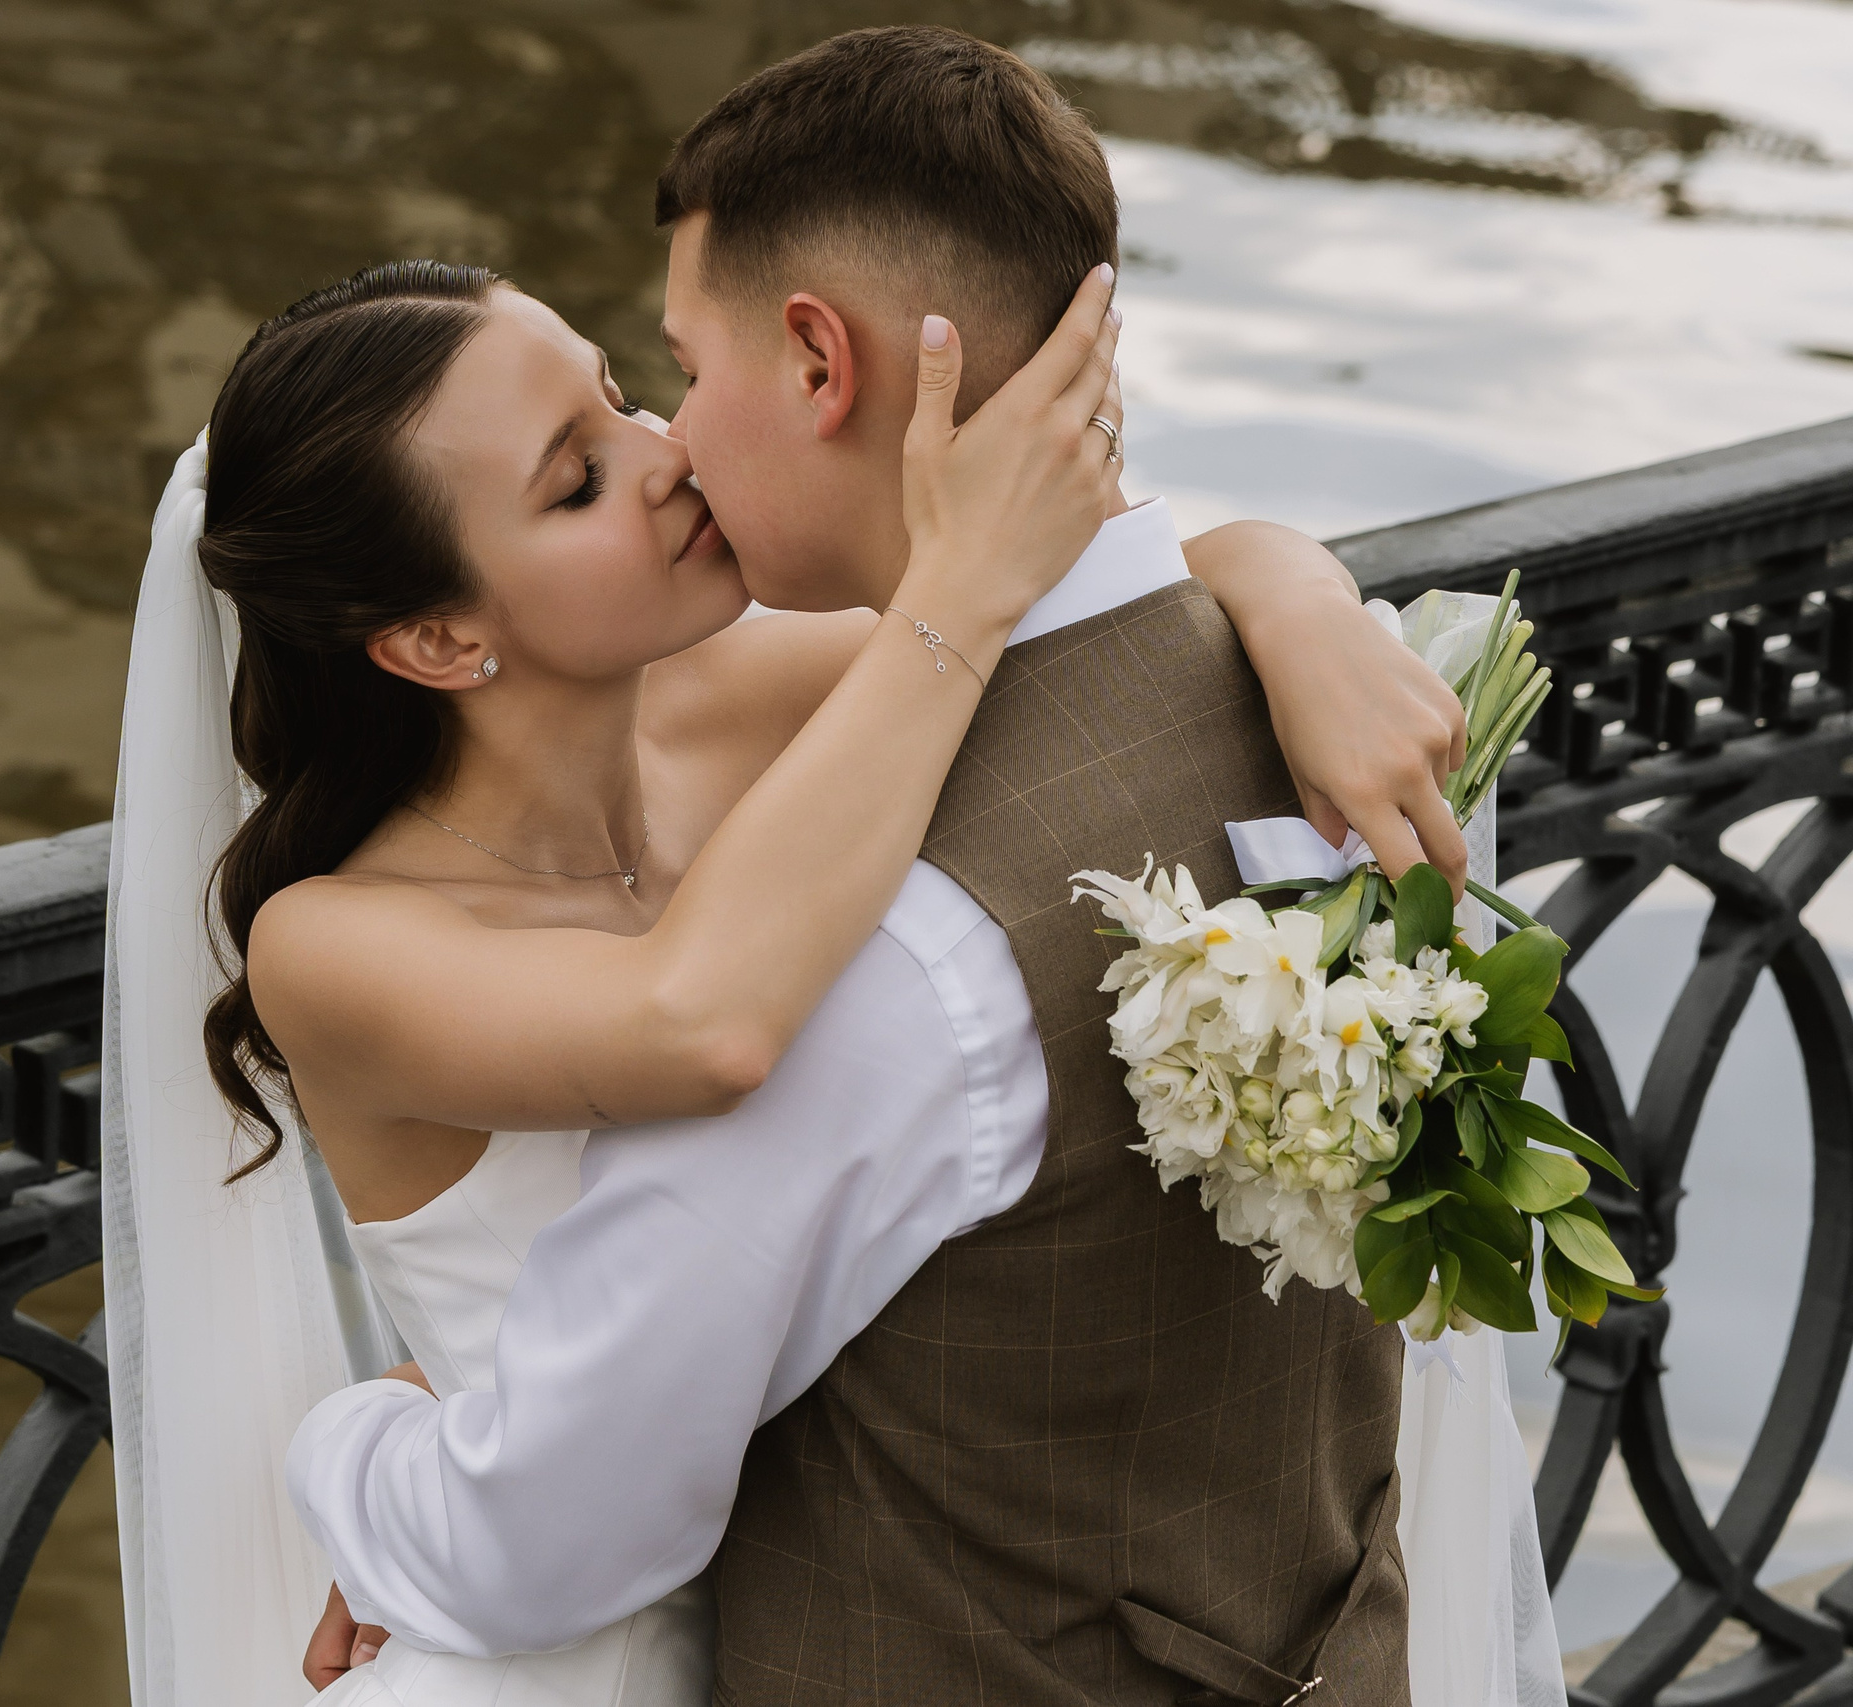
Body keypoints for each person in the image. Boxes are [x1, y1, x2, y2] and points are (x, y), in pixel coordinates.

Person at [276, 27, 1562, 1707]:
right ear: (438, 633)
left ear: (818, 362)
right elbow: (697, 1020)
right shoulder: (1310, 734)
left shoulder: (866, 896)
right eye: (581, 473)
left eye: (650, 372)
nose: (665, 446)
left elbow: (554, 1504)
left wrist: (347, 1448)